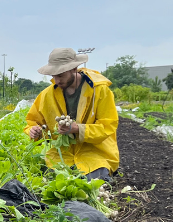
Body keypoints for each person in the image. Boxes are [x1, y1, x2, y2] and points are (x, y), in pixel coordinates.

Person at [25, 47, 119, 180]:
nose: (56, 80)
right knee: (53, 181)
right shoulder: (47, 95)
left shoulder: (99, 91)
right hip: (63, 154)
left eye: (60, 75)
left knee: (91, 181)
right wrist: (36, 132)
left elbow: (107, 126)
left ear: (74, 69)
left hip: (95, 152)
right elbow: (33, 122)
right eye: (53, 76)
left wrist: (76, 129)